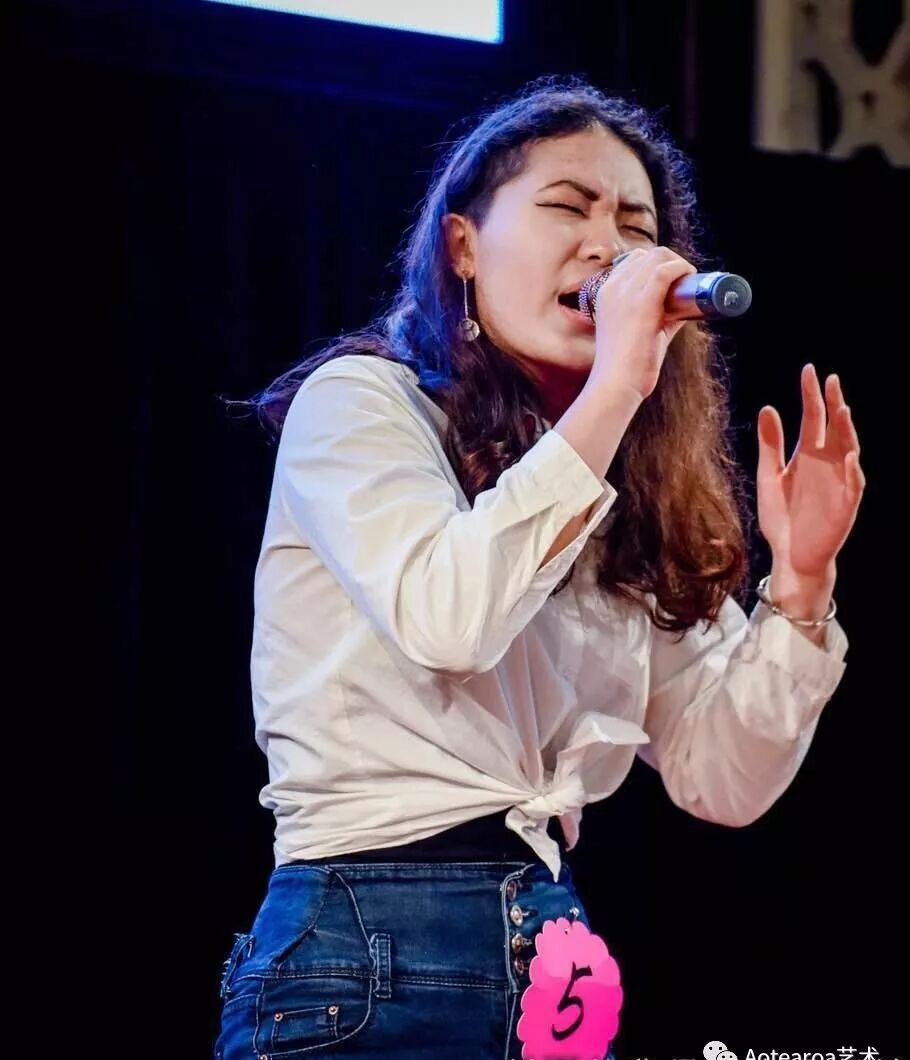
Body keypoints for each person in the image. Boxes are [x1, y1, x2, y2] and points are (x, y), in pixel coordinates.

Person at [214, 76, 864, 1060]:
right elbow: (447, 619)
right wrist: (615, 389)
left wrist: (802, 586)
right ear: (462, 246)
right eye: (568, 206)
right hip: (369, 939)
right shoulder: (362, 405)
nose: (608, 247)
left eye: (636, 225)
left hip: (547, 947)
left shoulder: (618, 491)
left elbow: (722, 777)